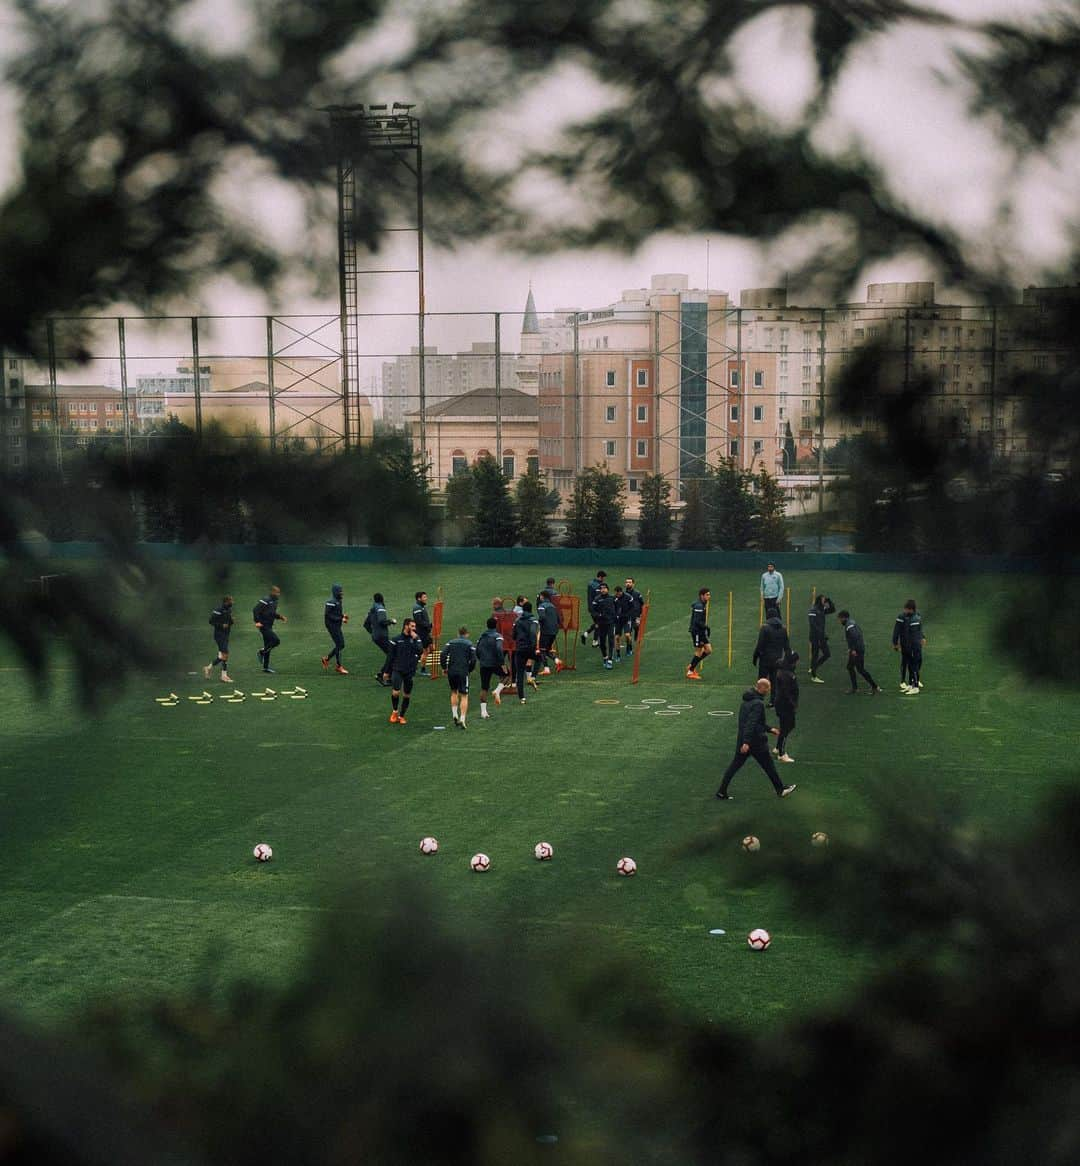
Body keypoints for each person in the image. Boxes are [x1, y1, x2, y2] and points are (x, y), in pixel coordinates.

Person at [715, 679, 796, 800]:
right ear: (762, 688)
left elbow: (752, 723)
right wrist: (747, 742)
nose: (769, 690)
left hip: (743, 740)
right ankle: (781, 789)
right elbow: (751, 724)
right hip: (755, 742)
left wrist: (769, 729)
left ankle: (721, 791)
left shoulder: (746, 701)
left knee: (734, 766)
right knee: (769, 766)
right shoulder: (758, 704)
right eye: (768, 688)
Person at [383, 617, 423, 724]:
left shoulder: (415, 639)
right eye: (412, 626)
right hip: (397, 669)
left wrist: (416, 639)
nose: (414, 628)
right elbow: (390, 656)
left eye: (415, 626)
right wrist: (386, 672)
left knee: (407, 695)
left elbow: (420, 651)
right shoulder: (396, 640)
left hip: (410, 671)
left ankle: (402, 716)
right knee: (396, 692)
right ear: (406, 626)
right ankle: (395, 712)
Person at [440, 625, 477, 730]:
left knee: (453, 691)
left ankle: (454, 714)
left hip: (451, 671)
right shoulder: (469, 644)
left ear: (458, 634)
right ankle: (462, 718)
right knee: (464, 695)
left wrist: (444, 667)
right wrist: (469, 669)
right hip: (463, 671)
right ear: (467, 634)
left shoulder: (451, 642)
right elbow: (474, 659)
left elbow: (443, 654)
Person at [838, 610, 881, 695]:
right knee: (850, 667)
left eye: (839, 619)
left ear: (843, 618)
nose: (839, 621)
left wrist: (853, 649)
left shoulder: (849, 625)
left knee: (860, 669)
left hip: (857, 650)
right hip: (858, 648)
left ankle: (874, 687)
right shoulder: (852, 622)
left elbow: (854, 636)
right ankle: (856, 688)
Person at [752, 613, 790, 703]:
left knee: (762, 680)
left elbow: (760, 644)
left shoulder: (765, 628)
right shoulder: (783, 629)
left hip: (765, 659)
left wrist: (755, 657)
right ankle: (773, 701)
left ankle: (759, 698)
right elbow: (787, 646)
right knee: (774, 681)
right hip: (778, 659)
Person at [476, 616, 509, 719]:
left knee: (484, 688)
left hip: (484, 664)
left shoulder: (481, 636)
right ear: (496, 625)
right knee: (507, 675)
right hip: (494, 663)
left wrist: (481, 659)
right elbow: (499, 649)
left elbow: (477, 650)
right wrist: (502, 663)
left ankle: (483, 712)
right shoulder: (497, 636)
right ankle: (497, 691)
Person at [893, 599, 926, 694]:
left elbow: (914, 635)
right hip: (911, 646)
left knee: (914, 666)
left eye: (906, 609)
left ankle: (915, 687)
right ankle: (911, 685)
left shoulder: (914, 619)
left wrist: (912, 645)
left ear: (911, 609)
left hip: (913, 646)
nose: (905, 611)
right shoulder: (914, 618)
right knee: (912, 666)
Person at [773, 650, 800, 763]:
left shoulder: (785, 671)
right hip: (785, 705)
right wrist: (792, 703)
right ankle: (781, 753)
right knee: (786, 727)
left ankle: (778, 747)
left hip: (783, 703)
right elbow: (786, 692)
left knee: (788, 726)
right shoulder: (786, 674)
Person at [253, 585, 287, 674]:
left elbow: (271, 613)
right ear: (272, 592)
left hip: (269, 625)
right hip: (263, 625)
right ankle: (261, 652)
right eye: (277, 592)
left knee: (268, 644)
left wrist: (280, 617)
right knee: (276, 641)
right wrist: (257, 621)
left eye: (279, 593)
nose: (278, 594)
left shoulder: (275, 601)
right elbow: (255, 610)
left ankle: (265, 667)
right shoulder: (265, 600)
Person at [363, 593, 396, 684]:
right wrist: (391, 621)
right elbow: (382, 622)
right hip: (382, 636)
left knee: (391, 654)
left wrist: (373, 632)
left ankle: (386, 675)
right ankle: (382, 675)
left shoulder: (372, 609)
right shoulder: (380, 608)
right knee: (392, 654)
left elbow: (365, 625)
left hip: (376, 637)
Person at [512, 600, 540, 702]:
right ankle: (532, 676)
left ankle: (522, 698)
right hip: (529, 648)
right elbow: (533, 633)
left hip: (519, 649)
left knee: (519, 673)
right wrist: (533, 647)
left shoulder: (517, 621)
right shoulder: (533, 620)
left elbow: (513, 635)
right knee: (540, 658)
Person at [204, 595, 234, 683]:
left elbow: (229, 622)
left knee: (221, 656)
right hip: (219, 635)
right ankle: (223, 676)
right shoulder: (218, 610)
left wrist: (232, 621)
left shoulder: (229, 610)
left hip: (226, 635)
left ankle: (208, 668)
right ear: (226, 602)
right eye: (231, 601)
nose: (232, 603)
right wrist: (221, 625)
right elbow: (211, 621)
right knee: (225, 654)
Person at [807, 593, 836, 683]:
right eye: (823, 600)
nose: (825, 601)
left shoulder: (821, 609)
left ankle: (813, 668)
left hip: (821, 637)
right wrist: (821, 635)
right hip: (816, 637)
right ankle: (814, 675)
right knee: (818, 654)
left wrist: (829, 601)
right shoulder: (813, 610)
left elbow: (832, 609)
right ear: (819, 600)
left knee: (825, 654)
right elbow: (813, 624)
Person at [321, 582, 349, 675]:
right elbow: (328, 614)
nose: (342, 593)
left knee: (339, 645)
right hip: (332, 626)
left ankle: (330, 661)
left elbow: (336, 612)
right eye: (340, 591)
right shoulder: (331, 602)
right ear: (336, 592)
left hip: (336, 625)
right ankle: (336, 664)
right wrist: (341, 618)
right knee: (341, 644)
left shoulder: (338, 600)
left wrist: (342, 616)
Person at [687, 587, 712, 680]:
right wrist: (706, 627)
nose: (709, 596)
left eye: (709, 594)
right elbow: (697, 621)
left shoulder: (702, 604)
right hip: (697, 631)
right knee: (699, 651)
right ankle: (690, 672)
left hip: (701, 631)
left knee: (708, 650)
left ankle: (692, 665)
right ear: (702, 596)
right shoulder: (699, 606)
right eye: (707, 595)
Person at [536, 589, 562, 675]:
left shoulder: (542, 606)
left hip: (546, 631)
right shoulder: (553, 606)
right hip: (554, 631)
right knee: (547, 649)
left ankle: (546, 669)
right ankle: (557, 661)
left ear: (542, 597)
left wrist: (538, 622)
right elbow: (559, 619)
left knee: (542, 649)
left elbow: (542, 617)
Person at [593, 580, 617, 669]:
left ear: (608, 589)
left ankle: (610, 660)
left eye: (604, 588)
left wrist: (616, 616)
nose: (603, 590)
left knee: (611, 640)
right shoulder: (597, 599)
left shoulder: (612, 598)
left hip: (610, 623)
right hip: (601, 624)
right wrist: (597, 617)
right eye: (601, 588)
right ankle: (605, 657)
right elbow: (593, 611)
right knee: (602, 643)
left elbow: (617, 607)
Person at [581, 569, 606, 645]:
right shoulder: (599, 586)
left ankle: (586, 634)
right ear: (601, 577)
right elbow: (599, 598)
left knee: (597, 623)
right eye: (603, 577)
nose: (604, 579)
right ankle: (594, 641)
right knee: (599, 623)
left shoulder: (590, 583)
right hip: (596, 609)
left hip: (591, 607)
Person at [412, 591, 433, 677]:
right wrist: (429, 625)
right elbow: (419, 621)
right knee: (425, 651)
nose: (426, 598)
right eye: (424, 597)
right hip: (422, 633)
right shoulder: (417, 608)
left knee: (430, 648)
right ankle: (422, 669)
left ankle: (414, 666)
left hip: (425, 632)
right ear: (419, 598)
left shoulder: (421, 606)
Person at [622, 577, 644, 658]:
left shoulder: (637, 594)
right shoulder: (623, 594)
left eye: (630, 582)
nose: (628, 583)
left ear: (633, 584)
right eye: (627, 582)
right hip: (627, 617)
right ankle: (629, 648)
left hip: (636, 616)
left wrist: (640, 617)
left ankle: (636, 643)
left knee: (637, 630)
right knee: (628, 634)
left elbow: (642, 605)